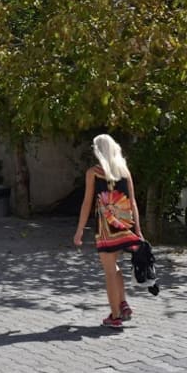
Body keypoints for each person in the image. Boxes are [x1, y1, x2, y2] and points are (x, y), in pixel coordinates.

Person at [73, 134, 143, 329]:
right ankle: (123, 304)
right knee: (114, 266)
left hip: (106, 228)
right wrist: (137, 229)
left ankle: (115, 316)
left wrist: (79, 231)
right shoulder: (124, 171)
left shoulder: (93, 173)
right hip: (124, 224)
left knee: (109, 270)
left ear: (99, 151)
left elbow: (87, 203)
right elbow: (133, 202)